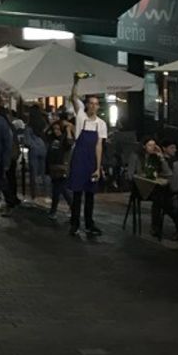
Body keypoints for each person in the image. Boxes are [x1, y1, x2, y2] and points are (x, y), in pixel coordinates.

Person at [67, 76, 106, 237]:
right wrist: (76, 82)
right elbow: (73, 97)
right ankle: (74, 224)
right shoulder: (81, 116)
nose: (93, 106)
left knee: (90, 195)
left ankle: (89, 224)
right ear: (87, 105)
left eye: (96, 104)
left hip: (91, 160)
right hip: (79, 158)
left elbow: (99, 145)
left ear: (98, 107)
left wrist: (98, 167)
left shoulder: (101, 124)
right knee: (77, 194)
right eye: (91, 103)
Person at [46, 120, 73, 218]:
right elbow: (45, 133)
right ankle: (71, 207)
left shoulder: (64, 139)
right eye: (55, 129)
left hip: (61, 167)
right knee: (58, 190)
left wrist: (68, 129)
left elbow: (69, 143)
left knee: (59, 190)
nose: (56, 131)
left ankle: (54, 211)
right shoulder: (52, 138)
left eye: (58, 129)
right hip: (53, 167)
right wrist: (52, 124)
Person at [25, 101, 49, 194]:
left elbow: (27, 141)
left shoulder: (29, 126)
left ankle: (34, 192)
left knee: (34, 172)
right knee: (42, 172)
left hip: (33, 150)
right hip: (43, 149)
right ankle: (44, 191)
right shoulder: (43, 124)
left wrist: (31, 145)